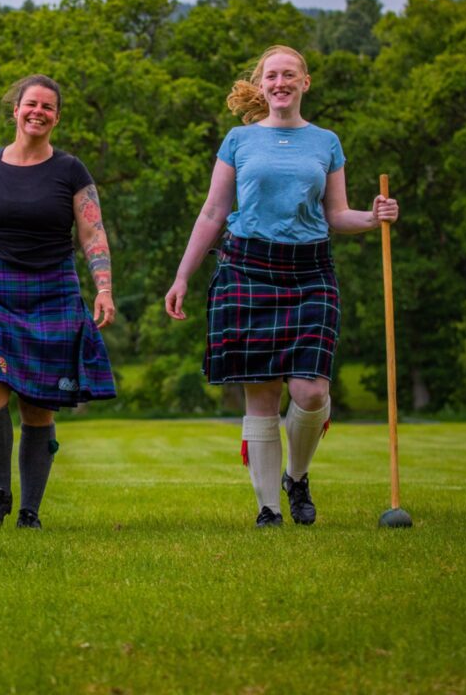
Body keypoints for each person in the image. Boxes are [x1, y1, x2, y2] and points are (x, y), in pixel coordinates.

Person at [164, 45, 398, 527]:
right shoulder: (238, 141)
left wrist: (374, 218)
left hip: (310, 271)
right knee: (263, 396)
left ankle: (298, 475)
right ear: (262, 84)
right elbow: (212, 212)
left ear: (305, 83)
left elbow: (336, 215)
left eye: (289, 74)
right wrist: (182, 276)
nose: (280, 82)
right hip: (247, 265)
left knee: (310, 391)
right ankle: (269, 509)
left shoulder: (326, 142)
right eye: (271, 75)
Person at [0, 74, 117, 529]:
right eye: (31, 104)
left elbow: (92, 232)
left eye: (48, 107)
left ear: (56, 117)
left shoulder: (71, 170)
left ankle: (30, 509)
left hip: (53, 288)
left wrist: (104, 286)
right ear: (15, 110)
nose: (38, 112)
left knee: (38, 403)